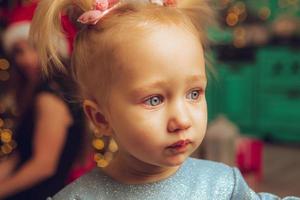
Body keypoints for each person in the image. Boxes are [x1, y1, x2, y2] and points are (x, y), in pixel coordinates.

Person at [29, 0, 299, 199]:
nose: (181, 120)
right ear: (101, 118)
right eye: (154, 100)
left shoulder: (222, 186)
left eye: (194, 93)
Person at [0, 2, 86, 199]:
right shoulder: (38, 92)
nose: (26, 59)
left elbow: (43, 166)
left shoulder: (49, 97)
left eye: (33, 48)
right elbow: (20, 156)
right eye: (18, 51)